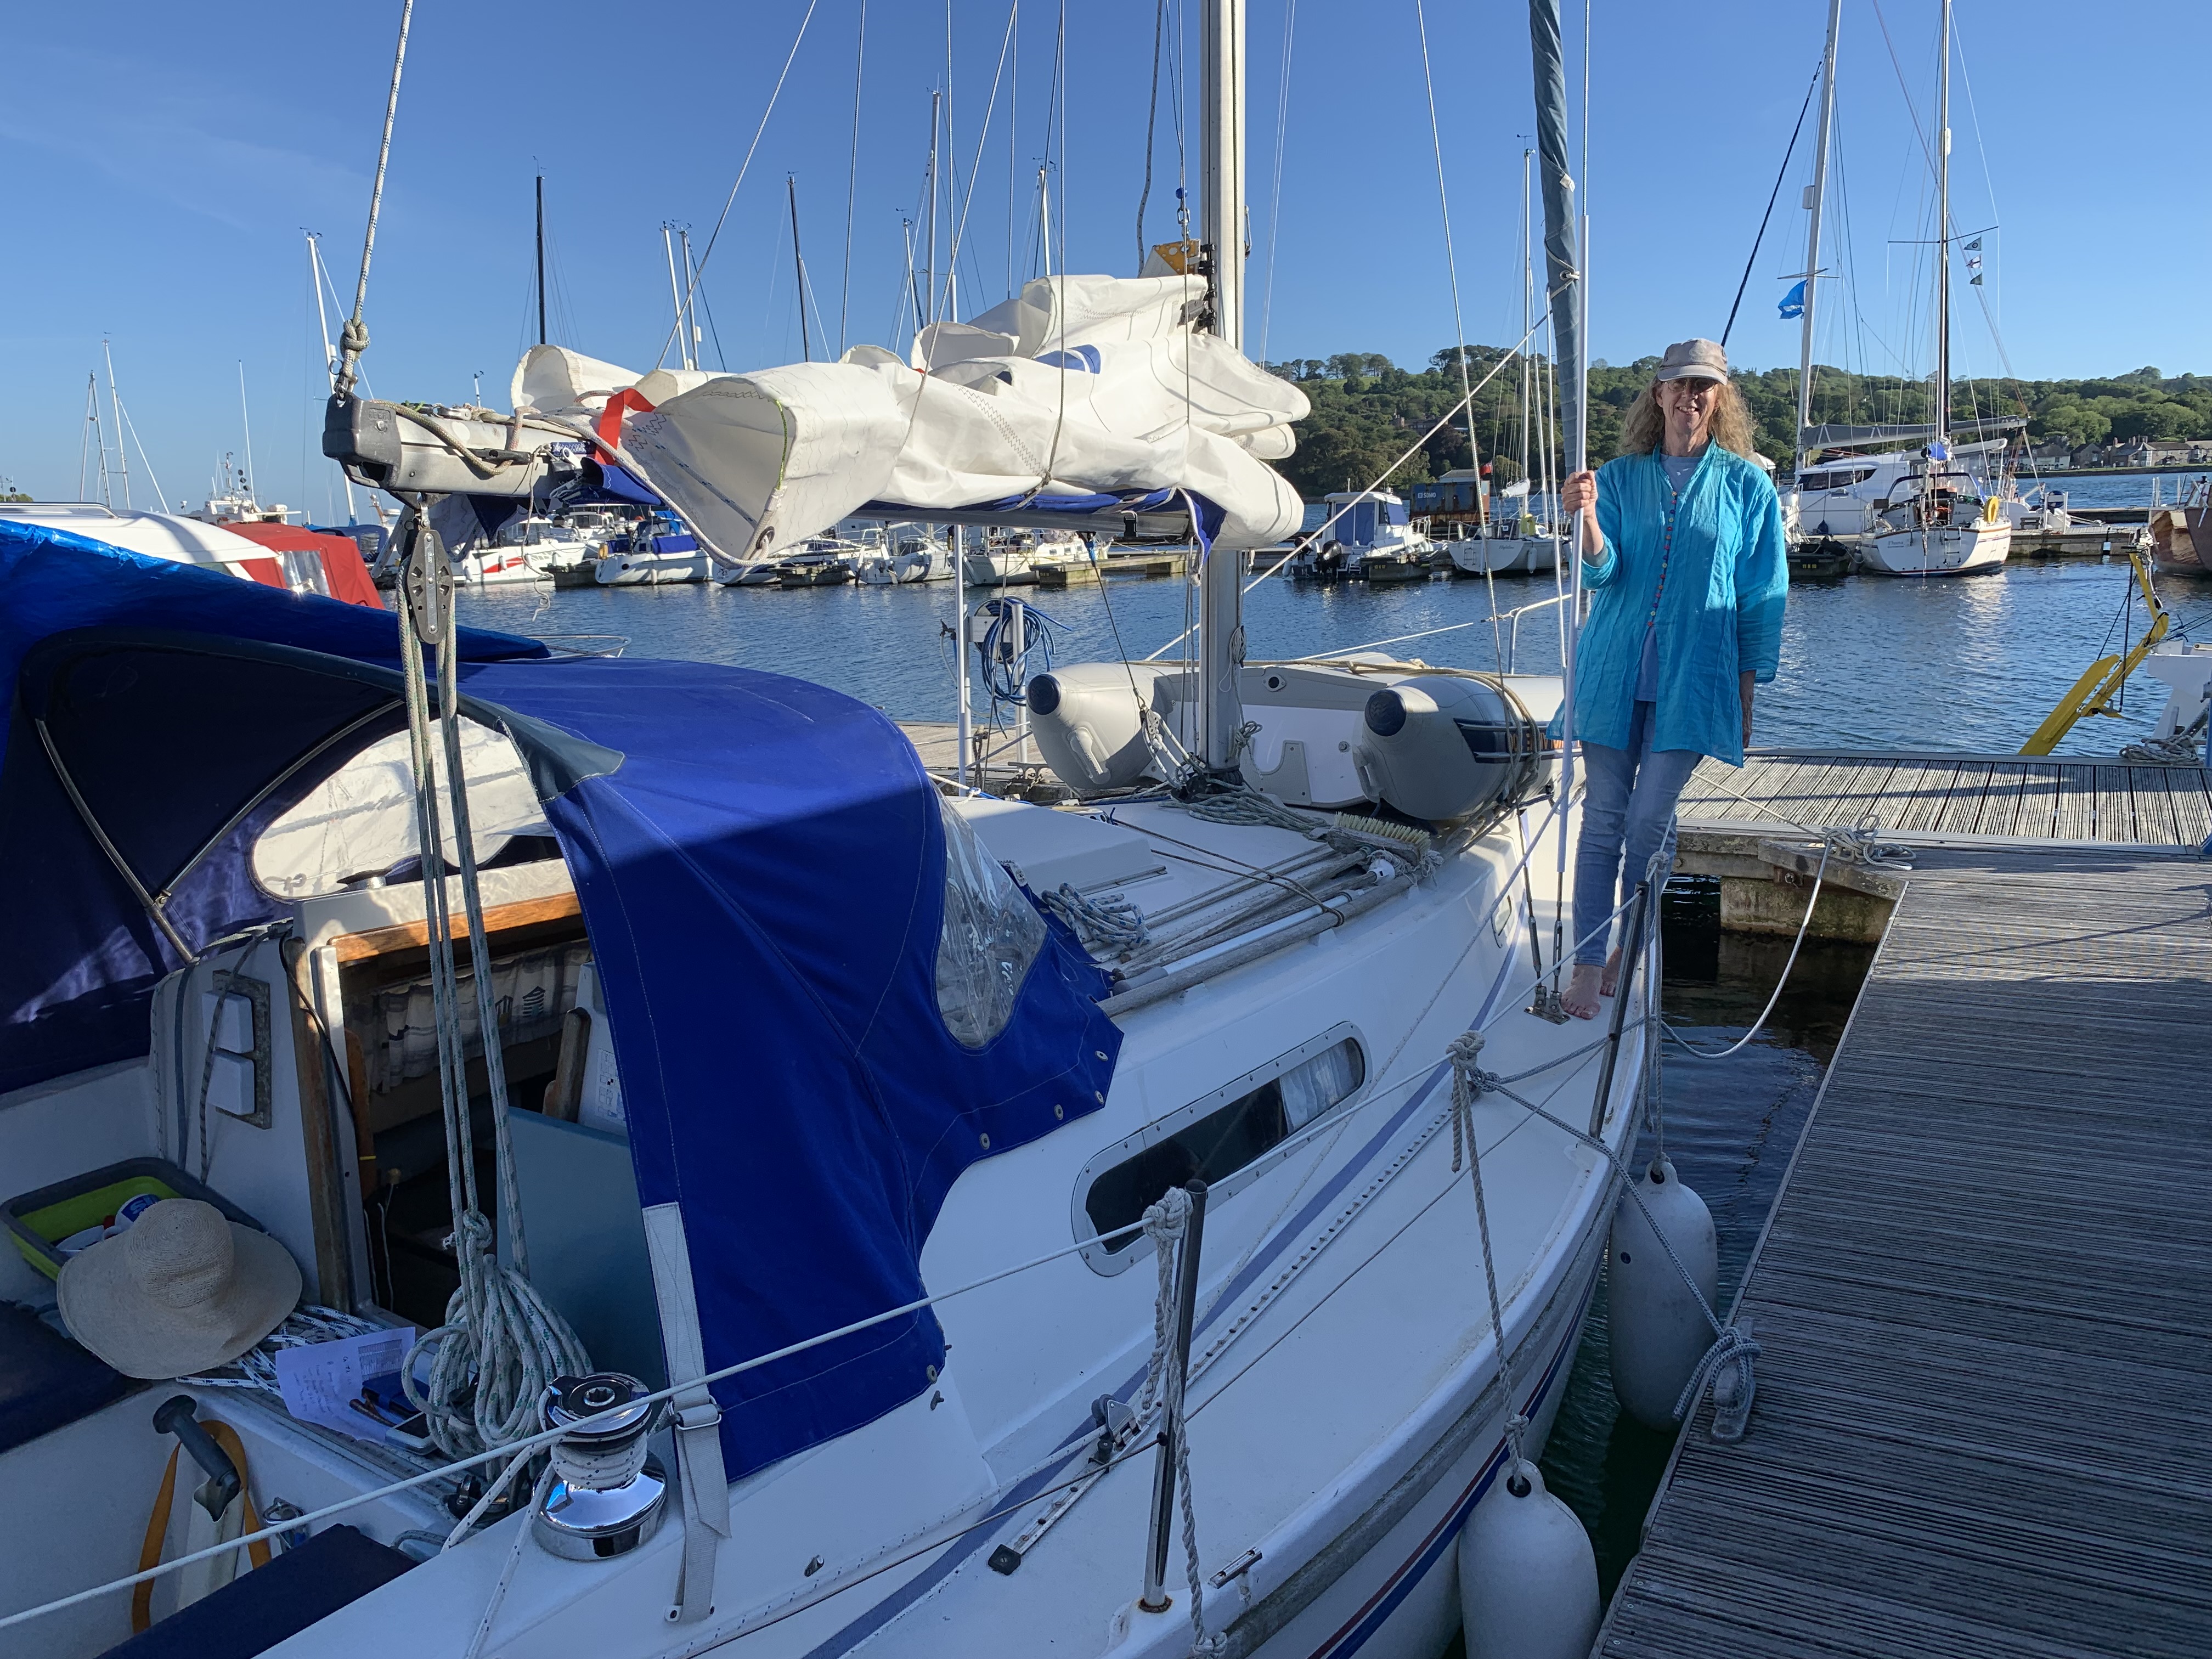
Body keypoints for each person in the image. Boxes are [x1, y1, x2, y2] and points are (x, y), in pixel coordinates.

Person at [1555, 338, 1787, 1019]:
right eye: (1680, 384)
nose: (1691, 396)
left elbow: (1762, 596)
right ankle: (1588, 960)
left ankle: (1629, 945)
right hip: (1612, 671)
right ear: (1657, 394)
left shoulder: (1748, 485)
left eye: (1704, 386)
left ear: (1720, 398)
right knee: (1603, 821)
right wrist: (1586, 518)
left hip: (1697, 678)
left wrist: (1746, 692)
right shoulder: (1617, 478)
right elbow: (1601, 573)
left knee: (1649, 820)